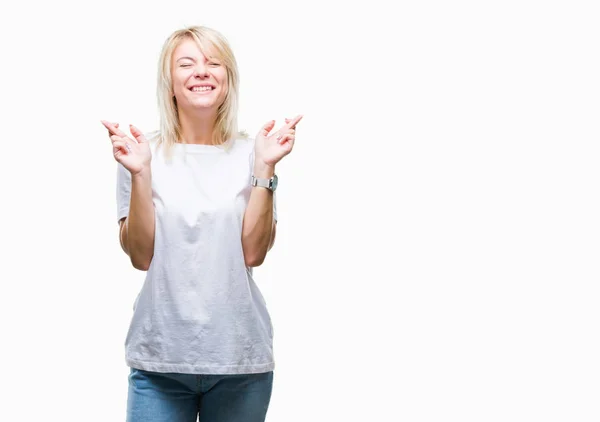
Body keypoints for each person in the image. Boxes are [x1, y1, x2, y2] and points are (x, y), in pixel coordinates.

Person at [100, 25, 302, 422]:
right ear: (170, 82)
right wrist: (140, 173)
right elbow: (140, 256)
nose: (201, 71)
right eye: (187, 63)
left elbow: (254, 253)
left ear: (227, 79)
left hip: (239, 362)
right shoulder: (141, 153)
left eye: (213, 62)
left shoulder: (253, 153)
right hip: (160, 362)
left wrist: (264, 168)